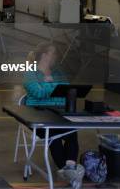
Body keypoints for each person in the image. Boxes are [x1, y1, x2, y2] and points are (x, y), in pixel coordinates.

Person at [23, 42, 84, 189]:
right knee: (53, 135)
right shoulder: (30, 73)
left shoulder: (58, 72)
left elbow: (68, 91)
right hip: (38, 116)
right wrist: (54, 87)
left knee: (71, 131)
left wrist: (46, 85)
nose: (56, 56)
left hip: (57, 113)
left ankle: (68, 170)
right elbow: (37, 93)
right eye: (53, 53)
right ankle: (68, 172)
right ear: (45, 55)